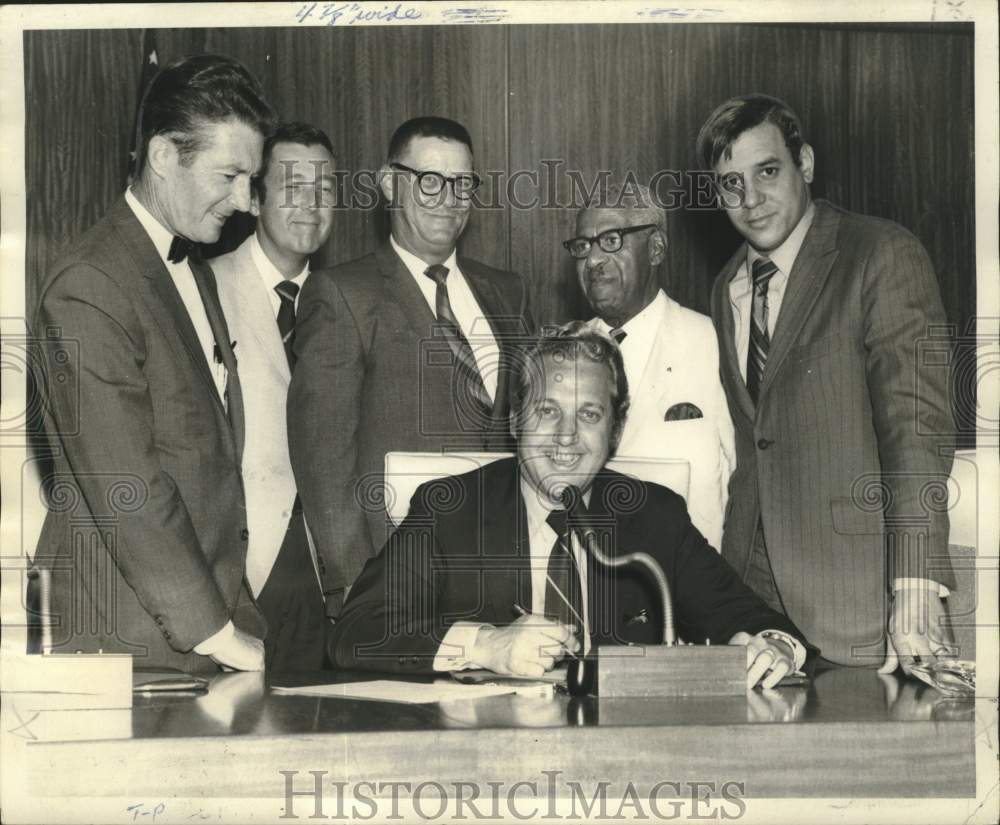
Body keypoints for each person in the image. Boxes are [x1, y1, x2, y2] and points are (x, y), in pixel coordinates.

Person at [328, 324, 814, 688]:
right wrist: (485, 645)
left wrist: (774, 648)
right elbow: (355, 631)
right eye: (547, 411)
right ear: (516, 420)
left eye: (588, 414)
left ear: (615, 432)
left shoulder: (653, 515)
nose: (565, 437)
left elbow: (758, 621)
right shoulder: (448, 508)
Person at [32, 54, 276, 672]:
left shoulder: (192, 266)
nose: (247, 202)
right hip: (128, 643)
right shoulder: (90, 282)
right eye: (230, 175)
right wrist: (220, 635)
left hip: (202, 630)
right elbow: (128, 485)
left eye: (252, 179)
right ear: (165, 155)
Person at [696, 93, 956, 671]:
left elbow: (917, 427)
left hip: (861, 604)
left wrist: (915, 581)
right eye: (730, 183)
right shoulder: (724, 287)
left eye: (767, 171)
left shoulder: (880, 254)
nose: (751, 199)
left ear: (805, 164)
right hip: (754, 608)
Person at [288, 116, 533, 615]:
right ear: (387, 183)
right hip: (394, 584)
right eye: (430, 181)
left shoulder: (508, 292)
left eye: (463, 183)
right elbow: (324, 464)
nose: (449, 198)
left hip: (499, 588)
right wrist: (361, 594)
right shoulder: (341, 294)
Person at [209, 122, 334, 671]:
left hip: (333, 560)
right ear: (254, 198)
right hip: (245, 562)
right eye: (291, 187)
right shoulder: (202, 285)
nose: (310, 204)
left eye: (324, 189)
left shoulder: (348, 299)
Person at [570, 183, 735, 549]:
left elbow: (745, 480)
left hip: (690, 587)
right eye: (582, 247)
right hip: (591, 582)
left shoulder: (714, 341)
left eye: (611, 240)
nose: (593, 260)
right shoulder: (563, 355)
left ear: (656, 249)